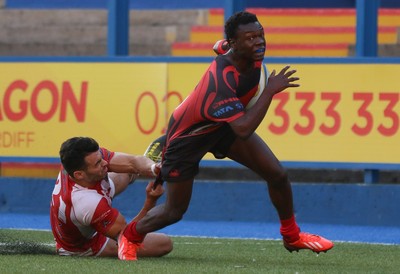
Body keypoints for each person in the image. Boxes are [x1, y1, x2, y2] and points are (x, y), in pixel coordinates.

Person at [117, 11, 334, 260]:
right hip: (188, 138)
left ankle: (292, 236)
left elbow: (218, 46)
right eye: (251, 38)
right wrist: (270, 91)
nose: (259, 42)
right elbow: (243, 129)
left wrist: (230, 45)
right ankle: (130, 235)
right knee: (174, 211)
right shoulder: (221, 80)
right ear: (235, 43)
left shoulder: (239, 50)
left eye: (260, 35)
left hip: (220, 128)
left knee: (278, 175)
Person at [49, 136, 173, 260]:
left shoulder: (77, 162)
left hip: (85, 205)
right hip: (85, 245)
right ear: (79, 174)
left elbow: (132, 162)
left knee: (126, 169)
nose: (105, 163)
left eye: (101, 158)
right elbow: (128, 236)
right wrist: (150, 202)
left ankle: (149, 165)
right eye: (98, 163)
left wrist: (152, 168)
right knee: (164, 243)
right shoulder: (88, 203)